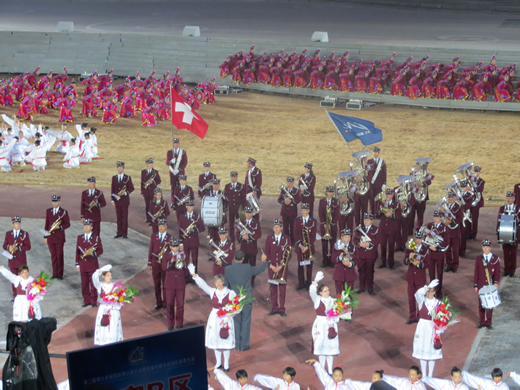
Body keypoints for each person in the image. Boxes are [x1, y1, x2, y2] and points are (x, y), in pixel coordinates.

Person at [190, 264, 236, 371]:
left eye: (219, 282)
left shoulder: (230, 293)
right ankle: (219, 362)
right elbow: (203, 285)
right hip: (215, 318)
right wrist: (194, 274)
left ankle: (226, 364)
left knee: (226, 341)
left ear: (223, 282)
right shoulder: (212, 292)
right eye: (216, 282)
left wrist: (230, 314)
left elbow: (237, 306)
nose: (218, 284)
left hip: (226, 319)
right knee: (216, 341)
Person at [224, 250, 268, 351]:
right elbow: (259, 269)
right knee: (246, 322)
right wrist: (263, 261)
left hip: (234, 300)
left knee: (236, 321)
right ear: (243, 259)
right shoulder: (247, 267)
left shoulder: (228, 269)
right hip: (246, 299)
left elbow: (226, 285)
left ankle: (236, 344)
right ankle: (244, 345)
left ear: (235, 258)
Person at [309, 271, 340, 374]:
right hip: (320, 325)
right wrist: (316, 281)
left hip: (330, 325)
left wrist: (335, 318)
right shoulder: (317, 300)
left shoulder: (334, 301)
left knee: (330, 349)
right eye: (325, 291)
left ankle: (330, 370)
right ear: (320, 293)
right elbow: (312, 291)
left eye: (328, 290)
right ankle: (321, 370)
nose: (327, 292)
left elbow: (338, 315)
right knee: (321, 349)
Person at [412, 280, 441, 377]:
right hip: (423, 328)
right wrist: (426, 287)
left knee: (432, 351)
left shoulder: (439, 303)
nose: (429, 293)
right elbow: (417, 293)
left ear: (435, 292)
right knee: (423, 351)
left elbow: (443, 318)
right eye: (428, 291)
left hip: (434, 329)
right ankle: (424, 375)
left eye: (432, 290)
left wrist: (441, 328)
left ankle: (430, 375)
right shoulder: (422, 301)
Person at [265, 219, 292, 317]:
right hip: (272, 268)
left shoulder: (287, 239)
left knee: (282, 289)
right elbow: (267, 252)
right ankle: (274, 308)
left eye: (278, 226)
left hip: (282, 269)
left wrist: (282, 265)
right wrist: (270, 265)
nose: (276, 228)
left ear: (281, 228)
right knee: (273, 289)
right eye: (275, 227)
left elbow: (289, 254)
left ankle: (281, 309)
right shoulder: (269, 238)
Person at [92, 264, 123, 345]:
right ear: (103, 276)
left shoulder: (115, 285)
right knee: (104, 328)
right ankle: (103, 343)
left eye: (111, 275)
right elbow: (94, 278)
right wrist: (99, 271)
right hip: (104, 310)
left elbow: (120, 297)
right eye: (108, 275)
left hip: (113, 310)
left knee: (113, 327)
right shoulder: (100, 286)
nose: (110, 277)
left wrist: (119, 299)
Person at [75, 219, 104, 307]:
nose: (85, 227)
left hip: (92, 264)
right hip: (83, 263)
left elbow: (100, 250)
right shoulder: (80, 237)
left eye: (87, 226)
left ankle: (93, 300)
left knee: (93, 283)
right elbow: (77, 251)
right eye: (84, 225)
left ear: (91, 227)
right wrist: (77, 263)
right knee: (84, 283)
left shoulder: (96, 237)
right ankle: (86, 300)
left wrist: (94, 253)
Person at [474, 239, 500, 329]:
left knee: (490, 304)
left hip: (490, 284)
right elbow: (476, 272)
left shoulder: (495, 259)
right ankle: (482, 321)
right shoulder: (478, 258)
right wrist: (475, 285)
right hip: (481, 283)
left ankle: (488, 322)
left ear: (490, 248)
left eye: (487, 247)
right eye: (484, 247)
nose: (485, 249)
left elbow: (497, 272)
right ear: (482, 248)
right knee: (481, 304)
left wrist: (496, 282)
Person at [3, 216, 31, 298]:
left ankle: (22, 295)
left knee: (22, 279)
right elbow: (4, 245)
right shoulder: (8, 234)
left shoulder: (25, 234)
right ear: (13, 224)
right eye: (16, 223)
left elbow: (28, 247)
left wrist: (18, 248)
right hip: (12, 261)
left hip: (21, 261)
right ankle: (15, 296)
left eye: (19, 223)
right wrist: (9, 247)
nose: (18, 225)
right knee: (13, 279)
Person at [404, 232, 429, 324]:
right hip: (411, 277)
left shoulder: (425, 250)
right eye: (417, 238)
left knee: (420, 298)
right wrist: (409, 258)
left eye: (420, 238)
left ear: (423, 239)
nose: (418, 240)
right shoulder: (410, 247)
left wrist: (419, 264)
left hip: (420, 277)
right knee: (411, 298)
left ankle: (420, 317)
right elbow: (405, 261)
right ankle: (412, 317)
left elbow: (427, 263)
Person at [44, 194, 71, 280]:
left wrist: (59, 227)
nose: (54, 203)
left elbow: (68, 224)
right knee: (53, 256)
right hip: (51, 237)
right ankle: (54, 273)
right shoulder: (48, 211)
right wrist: (45, 236)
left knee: (59, 255)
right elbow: (47, 224)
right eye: (53, 201)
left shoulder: (63, 212)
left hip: (59, 237)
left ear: (59, 202)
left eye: (56, 201)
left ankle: (60, 273)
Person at [178, 199, 205, 283]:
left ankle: (194, 277)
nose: (191, 207)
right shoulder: (182, 217)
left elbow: (202, 228)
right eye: (189, 206)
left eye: (192, 206)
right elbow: (180, 230)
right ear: (186, 207)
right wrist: (181, 243)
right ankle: (186, 277)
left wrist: (195, 230)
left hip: (194, 241)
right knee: (185, 259)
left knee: (194, 260)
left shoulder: (197, 216)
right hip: (185, 242)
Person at [162, 238, 187, 330]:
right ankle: (170, 324)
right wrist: (171, 261)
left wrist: (183, 260)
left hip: (180, 283)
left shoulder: (183, 254)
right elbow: (164, 267)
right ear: (170, 247)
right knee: (170, 305)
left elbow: (185, 267)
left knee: (180, 305)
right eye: (173, 246)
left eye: (176, 246)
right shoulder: (166, 255)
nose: (175, 248)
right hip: (170, 284)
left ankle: (179, 324)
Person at [147, 218, 171, 310]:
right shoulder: (154, 236)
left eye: (163, 226)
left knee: (165, 284)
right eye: (159, 226)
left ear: (166, 227)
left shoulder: (170, 237)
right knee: (156, 284)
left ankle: (165, 302)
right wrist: (149, 262)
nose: (161, 228)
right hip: (155, 263)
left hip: (165, 264)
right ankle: (158, 302)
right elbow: (151, 249)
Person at [354, 213, 380, 295]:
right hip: (361, 253)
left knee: (370, 271)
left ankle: (370, 287)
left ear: (371, 221)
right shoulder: (359, 229)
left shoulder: (376, 229)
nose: (366, 221)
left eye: (368, 220)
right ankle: (361, 287)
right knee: (361, 270)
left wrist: (369, 244)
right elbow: (355, 239)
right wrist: (359, 244)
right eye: (365, 220)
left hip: (370, 254)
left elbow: (378, 239)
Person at [236, 206, 262, 286]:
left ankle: (251, 282)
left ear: (252, 214)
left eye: (250, 213)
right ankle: (244, 281)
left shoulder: (256, 223)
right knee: (243, 266)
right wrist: (241, 236)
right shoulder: (241, 222)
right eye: (247, 213)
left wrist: (249, 237)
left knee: (252, 266)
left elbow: (258, 234)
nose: (248, 215)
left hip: (252, 248)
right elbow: (237, 233)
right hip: (244, 248)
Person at [294, 203, 317, 290]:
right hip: (300, 247)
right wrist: (300, 245)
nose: (304, 212)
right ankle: (301, 283)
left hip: (309, 248)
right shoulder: (297, 220)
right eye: (302, 210)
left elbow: (313, 235)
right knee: (300, 266)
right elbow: (296, 233)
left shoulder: (313, 221)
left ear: (309, 210)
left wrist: (307, 246)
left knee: (309, 266)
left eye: (305, 210)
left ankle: (308, 283)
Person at [426, 211, 449, 297]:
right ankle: (432, 289)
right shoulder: (430, 226)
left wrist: (437, 247)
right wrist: (429, 246)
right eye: (434, 217)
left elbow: (446, 241)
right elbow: (425, 237)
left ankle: (438, 291)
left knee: (439, 272)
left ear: (441, 218)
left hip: (439, 253)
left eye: (437, 217)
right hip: (431, 253)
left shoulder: (444, 228)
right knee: (431, 272)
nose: (435, 219)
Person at [377, 188, 400, 269]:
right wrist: (380, 210)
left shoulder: (396, 204)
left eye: (389, 194)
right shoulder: (382, 203)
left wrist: (391, 215)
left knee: (391, 246)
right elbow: (377, 215)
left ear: (392, 195)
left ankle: (391, 263)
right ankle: (383, 262)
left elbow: (399, 216)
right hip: (383, 228)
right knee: (382, 246)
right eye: (387, 194)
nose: (388, 196)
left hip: (391, 229)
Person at [111, 161, 135, 239]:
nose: (119, 169)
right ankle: (119, 232)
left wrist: (125, 193)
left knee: (124, 217)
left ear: (123, 169)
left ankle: (125, 233)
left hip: (124, 201)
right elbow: (113, 189)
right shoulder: (114, 178)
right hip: (117, 201)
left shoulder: (127, 178)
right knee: (118, 217)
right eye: (118, 167)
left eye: (121, 167)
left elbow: (131, 188)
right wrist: (112, 199)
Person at [497, 192, 517, 277]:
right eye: (507, 198)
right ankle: (506, 270)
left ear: (513, 199)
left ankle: (512, 270)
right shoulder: (502, 208)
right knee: (505, 253)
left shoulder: (518, 209)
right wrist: (498, 233)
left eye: (510, 198)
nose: (508, 199)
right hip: (504, 233)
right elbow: (498, 220)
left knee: (513, 253)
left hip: (515, 234)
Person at [319, 186, 340, 268]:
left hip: (333, 226)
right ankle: (324, 261)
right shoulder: (322, 201)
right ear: (326, 192)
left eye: (332, 192)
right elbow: (320, 213)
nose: (330, 194)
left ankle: (332, 261)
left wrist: (332, 224)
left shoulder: (336, 201)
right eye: (329, 192)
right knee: (324, 244)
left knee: (332, 244)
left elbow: (337, 214)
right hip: (324, 227)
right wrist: (324, 223)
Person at [444, 191, 463, 273]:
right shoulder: (445, 206)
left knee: (455, 251)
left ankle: (455, 266)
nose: (450, 200)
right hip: (447, 232)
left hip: (455, 232)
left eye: (452, 199)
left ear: (455, 199)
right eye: (449, 199)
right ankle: (448, 265)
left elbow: (460, 219)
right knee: (447, 250)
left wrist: (451, 222)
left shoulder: (458, 207)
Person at [224, 171, 246, 242]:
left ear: (237, 177)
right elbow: (226, 198)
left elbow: (243, 198)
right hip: (231, 208)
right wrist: (225, 207)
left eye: (234, 177)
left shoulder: (241, 186)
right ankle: (232, 238)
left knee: (239, 224)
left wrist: (244, 207)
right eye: (232, 177)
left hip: (238, 209)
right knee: (231, 224)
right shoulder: (227, 186)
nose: (233, 178)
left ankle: (239, 236)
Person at [278, 176, 301, 242]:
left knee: (292, 226)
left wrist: (291, 201)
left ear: (293, 183)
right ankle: (285, 239)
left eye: (290, 183)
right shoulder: (283, 190)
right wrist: (284, 202)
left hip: (292, 211)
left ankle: (292, 240)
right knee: (285, 227)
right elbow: (279, 199)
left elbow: (298, 200)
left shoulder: (296, 191)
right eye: (288, 182)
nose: (289, 184)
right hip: (284, 211)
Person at [166, 138, 188, 205]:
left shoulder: (183, 152)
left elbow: (185, 162)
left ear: (179, 144)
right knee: (173, 188)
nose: (175, 145)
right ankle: (173, 202)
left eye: (176, 143)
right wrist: (171, 162)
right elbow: (167, 162)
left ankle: (180, 201)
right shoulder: (169, 152)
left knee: (180, 188)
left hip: (180, 173)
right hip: (172, 173)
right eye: (174, 143)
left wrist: (179, 169)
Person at [141, 157, 161, 224]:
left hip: (153, 191)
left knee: (153, 205)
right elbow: (142, 182)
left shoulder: (155, 172)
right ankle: (148, 218)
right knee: (147, 205)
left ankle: (153, 218)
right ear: (147, 164)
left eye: (152, 163)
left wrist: (153, 182)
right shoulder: (143, 172)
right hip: (146, 191)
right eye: (150, 163)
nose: (151, 164)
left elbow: (159, 181)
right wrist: (142, 191)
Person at [469, 166, 485, 240]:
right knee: (467, 219)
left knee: (474, 219)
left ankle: (473, 235)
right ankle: (467, 234)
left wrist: (471, 188)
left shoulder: (481, 181)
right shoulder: (469, 180)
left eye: (477, 172)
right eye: (475, 171)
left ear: (479, 172)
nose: (476, 173)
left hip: (476, 202)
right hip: (468, 201)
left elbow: (480, 189)